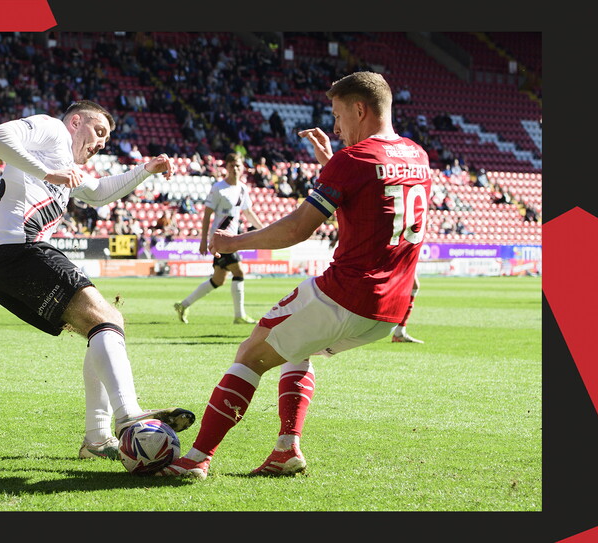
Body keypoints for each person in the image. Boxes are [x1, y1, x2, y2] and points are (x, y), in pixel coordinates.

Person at [156, 71, 432, 479]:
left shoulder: (353, 160)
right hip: (389, 309)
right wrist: (330, 164)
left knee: (251, 353)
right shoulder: (416, 154)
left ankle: (196, 459)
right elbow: (370, 207)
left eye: (339, 116)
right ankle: (287, 449)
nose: (336, 128)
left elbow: (295, 230)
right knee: (295, 347)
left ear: (361, 109)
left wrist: (233, 243)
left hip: (346, 293)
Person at [0, 100, 195, 462]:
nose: (101, 142)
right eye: (98, 131)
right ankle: (128, 417)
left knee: (106, 323)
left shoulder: (64, 164)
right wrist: (50, 175)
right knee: (105, 319)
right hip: (18, 249)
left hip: (4, 263)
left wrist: (146, 169)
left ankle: (97, 440)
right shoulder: (53, 130)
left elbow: (98, 192)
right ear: (76, 121)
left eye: (107, 138)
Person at [173, 152, 266, 325]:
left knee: (218, 280)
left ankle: (183, 305)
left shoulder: (243, 189)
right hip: (220, 239)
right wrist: (203, 240)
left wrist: (264, 230)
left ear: (242, 167)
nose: (236, 169)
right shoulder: (218, 188)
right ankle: (239, 315)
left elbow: (248, 212)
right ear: (227, 168)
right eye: (232, 166)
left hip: (232, 238)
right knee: (239, 271)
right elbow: (207, 215)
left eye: (238, 165)